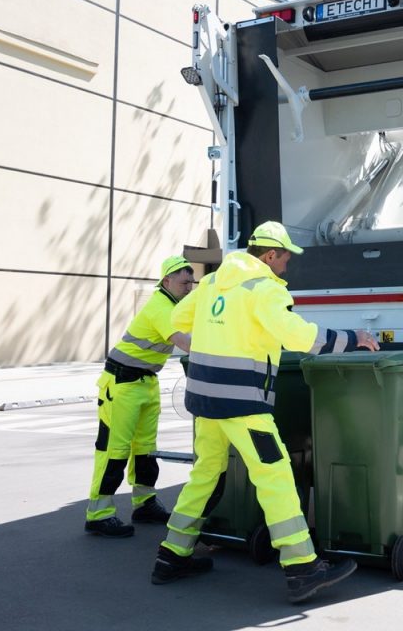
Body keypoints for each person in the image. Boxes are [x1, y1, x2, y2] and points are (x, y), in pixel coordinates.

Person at [150, 221, 379, 604]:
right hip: (242, 402)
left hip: (205, 399)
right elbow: (300, 337)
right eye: (286, 256)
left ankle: (172, 556)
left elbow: (177, 321)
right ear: (270, 255)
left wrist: (214, 338)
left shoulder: (211, 284)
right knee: (274, 476)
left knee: (205, 474)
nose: (288, 264)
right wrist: (354, 339)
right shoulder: (265, 289)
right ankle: (302, 566)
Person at [84, 255, 195, 537]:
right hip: (122, 383)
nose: (189, 287)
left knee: (145, 449)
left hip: (146, 381)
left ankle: (144, 503)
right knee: (114, 451)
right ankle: (99, 514)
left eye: (191, 282)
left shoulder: (176, 307)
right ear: (166, 281)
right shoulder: (161, 307)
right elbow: (183, 342)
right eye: (184, 282)